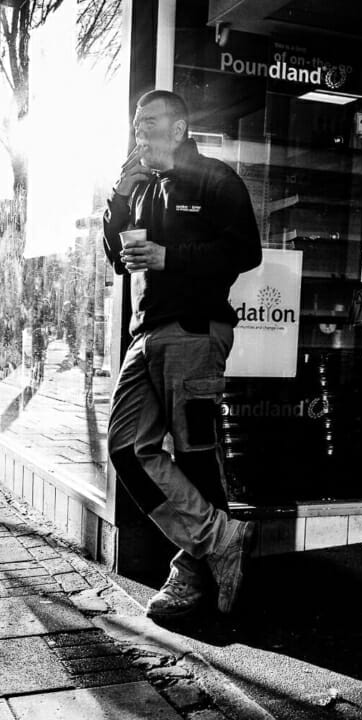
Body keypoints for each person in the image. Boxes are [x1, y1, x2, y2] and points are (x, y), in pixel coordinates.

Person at [102, 90, 262, 619]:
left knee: (195, 453)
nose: (139, 132)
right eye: (134, 124)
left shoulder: (216, 178)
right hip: (145, 332)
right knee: (126, 446)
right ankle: (219, 537)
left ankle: (192, 575)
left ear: (178, 128)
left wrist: (170, 256)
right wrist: (119, 195)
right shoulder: (142, 187)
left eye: (148, 122)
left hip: (195, 330)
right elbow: (118, 258)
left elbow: (245, 252)